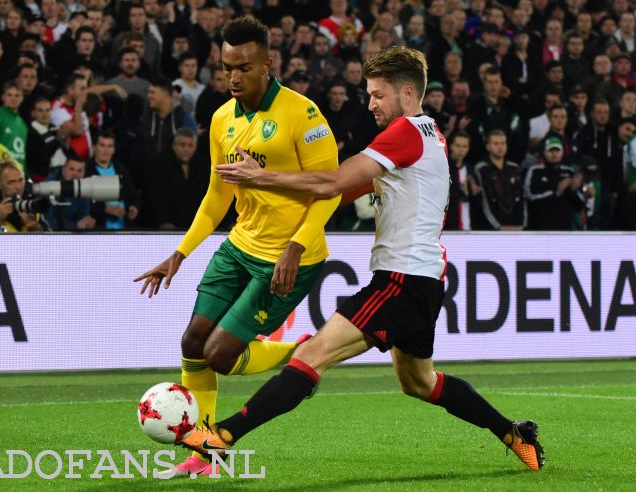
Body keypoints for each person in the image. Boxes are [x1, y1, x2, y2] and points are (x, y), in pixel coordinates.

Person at [191, 46, 545, 474]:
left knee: (312, 356)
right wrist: (289, 206)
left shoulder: (405, 133)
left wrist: (261, 175)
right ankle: (513, 433)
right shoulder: (428, 132)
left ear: (407, 92)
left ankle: (222, 435)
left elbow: (335, 182)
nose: (371, 103)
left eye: (378, 94)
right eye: (370, 94)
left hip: (400, 280)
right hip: (424, 280)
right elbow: (337, 192)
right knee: (420, 382)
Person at [133, 17, 341, 478]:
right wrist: (180, 254)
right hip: (239, 245)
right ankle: (204, 452)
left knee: (221, 355)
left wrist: (295, 247)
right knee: (192, 343)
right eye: (226, 67)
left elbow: (331, 190)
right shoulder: (222, 118)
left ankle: (300, 353)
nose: (233, 77)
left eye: (243, 68)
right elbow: (217, 195)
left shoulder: (303, 115)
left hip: (290, 256)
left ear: (268, 64)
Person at [0, 158, 49, 232]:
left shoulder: (32, 207)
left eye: (21, 180)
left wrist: (37, 229)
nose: (18, 187)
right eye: (11, 182)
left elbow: (54, 241)